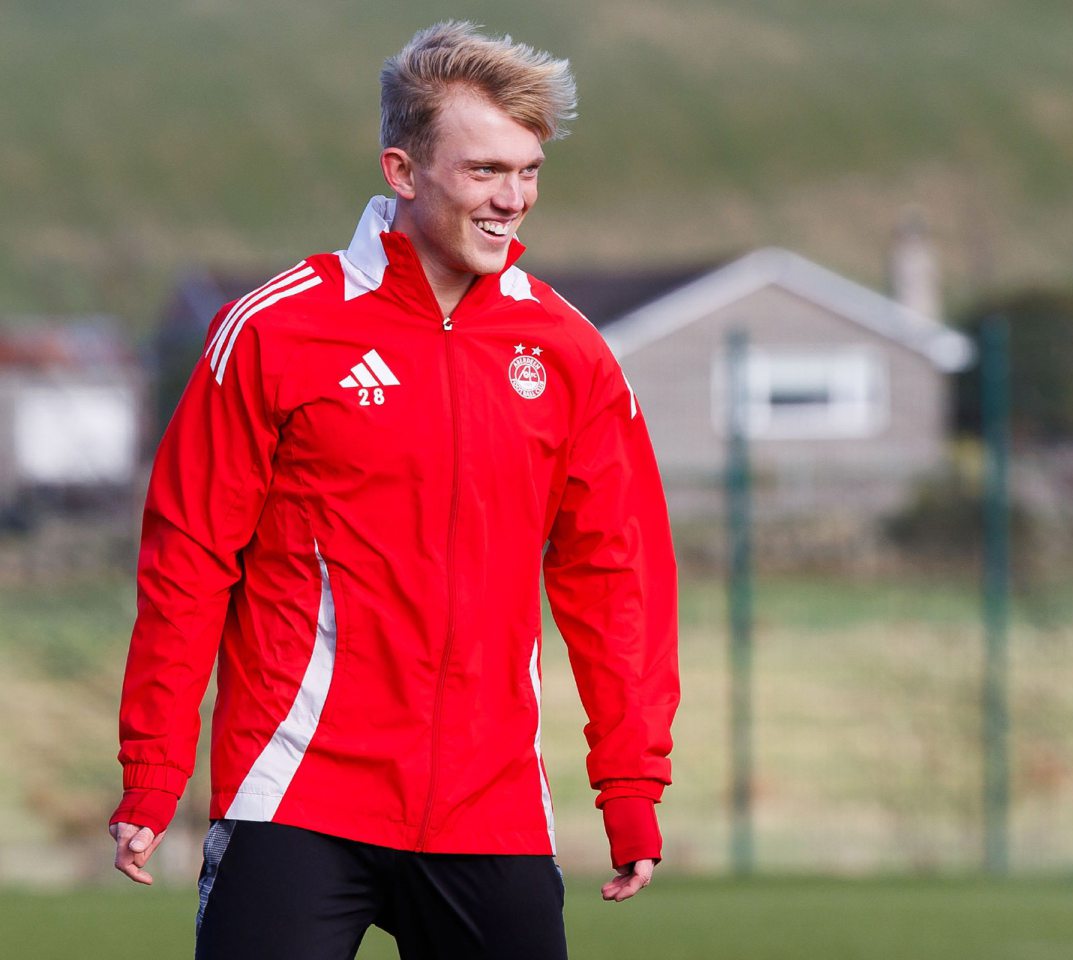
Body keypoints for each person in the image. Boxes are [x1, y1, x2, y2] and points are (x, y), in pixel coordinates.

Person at [108, 21, 680, 959]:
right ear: (402, 170)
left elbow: (619, 578)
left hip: (492, 807)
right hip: (296, 791)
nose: (513, 201)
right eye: (484, 171)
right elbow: (189, 559)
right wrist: (155, 765)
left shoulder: (572, 354)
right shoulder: (273, 331)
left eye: (529, 171)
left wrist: (630, 781)